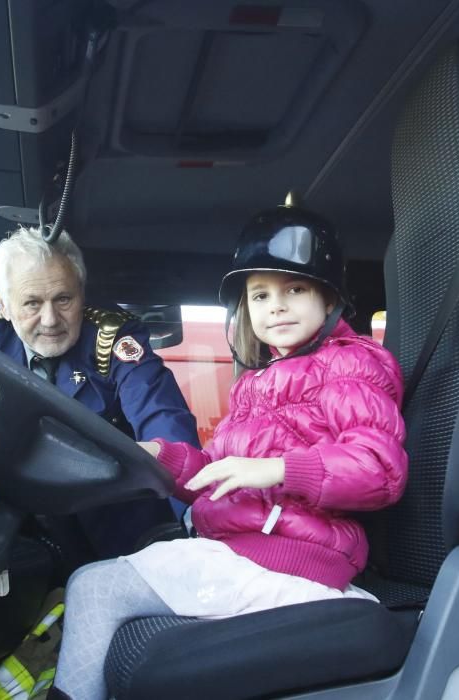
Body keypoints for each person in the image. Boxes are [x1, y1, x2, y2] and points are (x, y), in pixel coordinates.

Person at [49, 198, 408, 700]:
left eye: (295, 289)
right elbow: (219, 472)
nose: (275, 306)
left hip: (290, 560)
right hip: (241, 550)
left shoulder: (351, 367)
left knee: (95, 587)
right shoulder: (254, 384)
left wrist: (275, 469)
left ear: (329, 301)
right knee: (103, 578)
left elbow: (378, 471)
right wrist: (162, 456)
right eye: (259, 295)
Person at [0, 225, 200, 557]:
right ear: (4, 303)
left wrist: (191, 531)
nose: (50, 319)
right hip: (15, 527)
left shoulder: (112, 339)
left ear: (81, 294)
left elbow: (168, 430)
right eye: (31, 303)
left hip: (116, 523)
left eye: (63, 299)